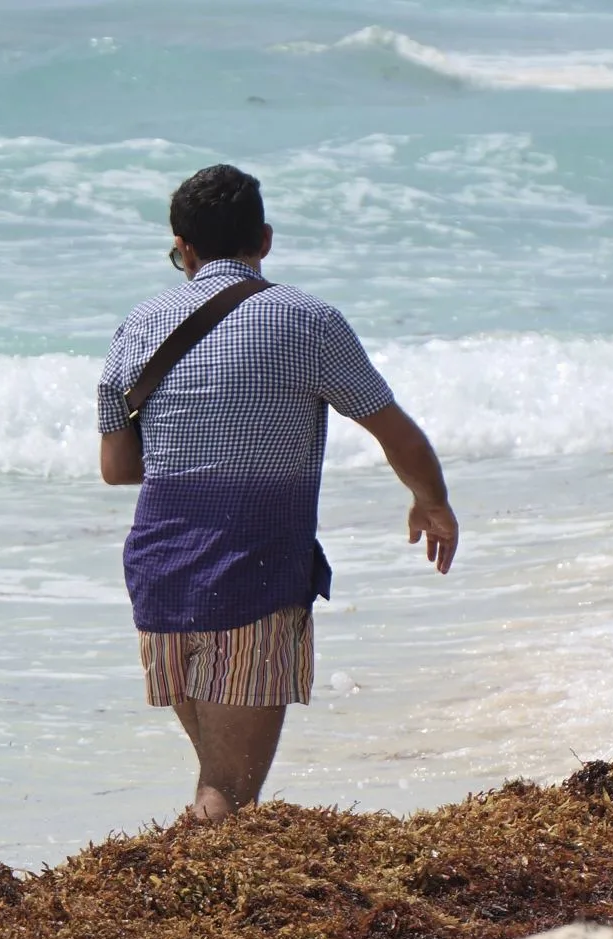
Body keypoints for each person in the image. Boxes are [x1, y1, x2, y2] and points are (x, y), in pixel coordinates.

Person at [97, 164, 458, 825]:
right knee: (228, 796)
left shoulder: (137, 325)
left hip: (159, 577)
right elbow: (391, 425)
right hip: (253, 575)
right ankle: (185, 915)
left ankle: (181, 907)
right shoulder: (307, 321)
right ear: (264, 239)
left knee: (217, 780)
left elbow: (118, 467)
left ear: (183, 247)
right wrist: (430, 499)